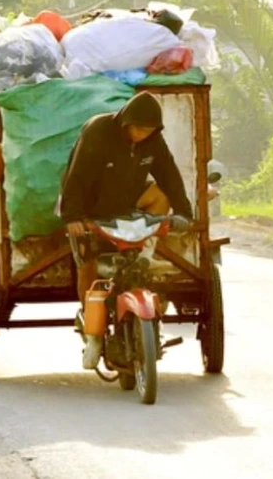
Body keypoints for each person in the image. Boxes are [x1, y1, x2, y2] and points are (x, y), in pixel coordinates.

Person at [58, 91, 193, 369]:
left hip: (126, 206)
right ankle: (92, 334)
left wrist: (184, 213)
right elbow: (77, 174)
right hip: (89, 209)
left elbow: (169, 174)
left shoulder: (153, 141)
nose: (142, 134)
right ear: (125, 122)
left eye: (149, 130)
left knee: (161, 194)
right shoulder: (98, 131)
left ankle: (145, 249)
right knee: (88, 267)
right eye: (138, 128)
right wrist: (73, 216)